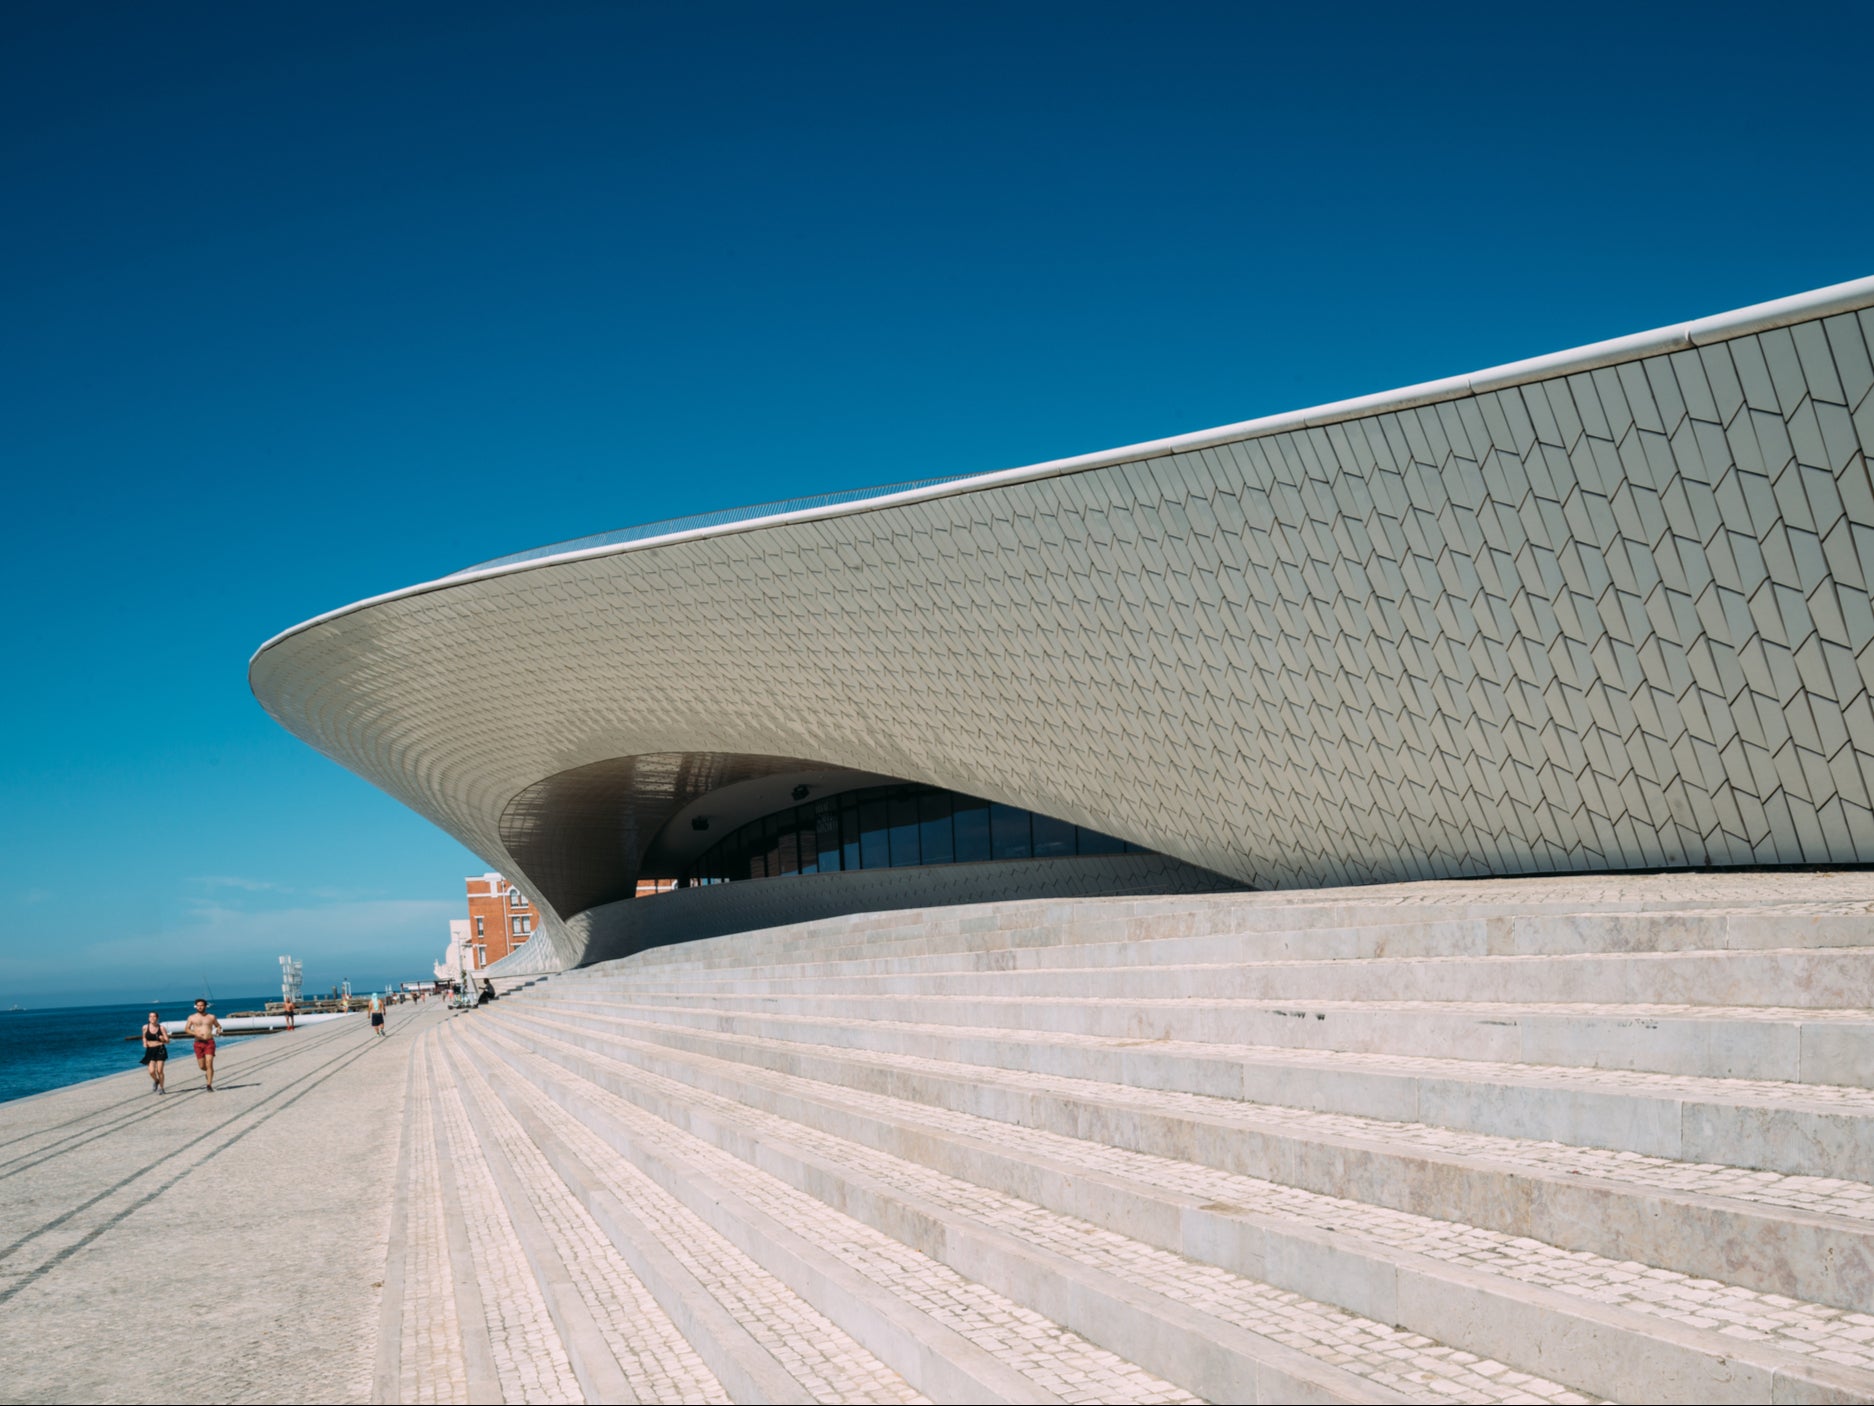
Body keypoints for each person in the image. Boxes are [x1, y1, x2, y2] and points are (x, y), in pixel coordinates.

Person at [184, 998, 223, 1092]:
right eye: (198, 1005)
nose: (200, 1007)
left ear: (205, 1006)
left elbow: (218, 1025)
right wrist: (195, 1033)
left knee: (209, 1063)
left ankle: (209, 1085)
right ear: (195, 1006)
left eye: (202, 1005)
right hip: (198, 1043)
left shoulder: (211, 1017)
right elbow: (186, 1029)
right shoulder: (192, 1017)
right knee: (202, 1066)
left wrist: (218, 1029)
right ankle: (208, 1072)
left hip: (209, 1042)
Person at [139, 1012, 169, 1094]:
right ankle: (156, 1080)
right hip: (150, 1050)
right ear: (148, 1018)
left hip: (160, 1049)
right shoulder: (145, 1027)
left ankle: (162, 1089)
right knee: (151, 1071)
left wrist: (162, 1039)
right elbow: (144, 1036)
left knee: (160, 1071)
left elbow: (168, 1041)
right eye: (150, 1016)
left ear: (157, 1018)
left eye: (154, 1016)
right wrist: (144, 1043)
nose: (152, 1018)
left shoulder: (161, 1028)